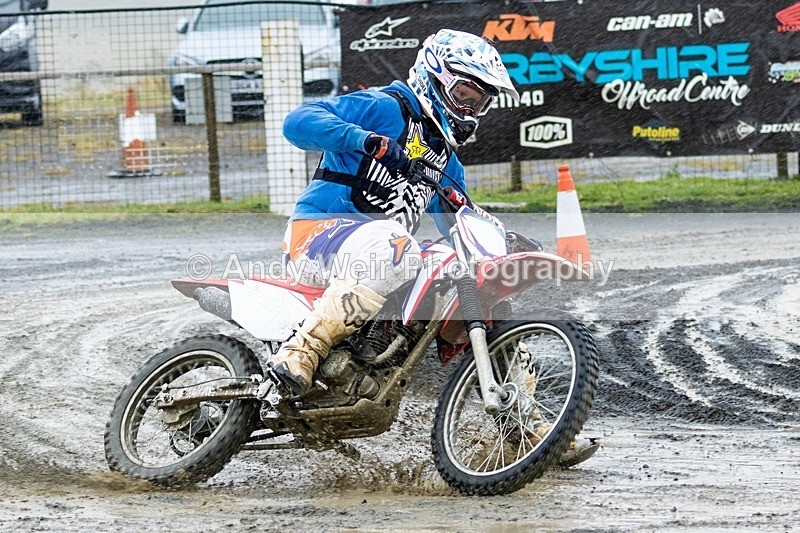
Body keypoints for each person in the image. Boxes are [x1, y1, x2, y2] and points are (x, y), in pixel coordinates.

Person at [269, 29, 515, 394]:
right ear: (435, 77)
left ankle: (521, 421)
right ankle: (301, 350)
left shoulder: (448, 161)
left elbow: (459, 224)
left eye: (478, 103)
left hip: (379, 258)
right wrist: (362, 139)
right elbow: (297, 123)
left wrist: (503, 245)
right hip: (316, 237)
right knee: (398, 246)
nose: (468, 110)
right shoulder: (385, 107)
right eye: (463, 94)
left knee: (465, 273)